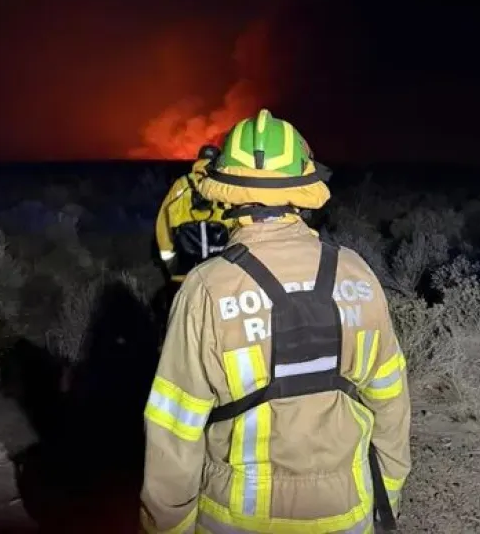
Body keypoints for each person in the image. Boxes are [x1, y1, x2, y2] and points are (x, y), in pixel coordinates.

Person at [140, 109, 411, 534]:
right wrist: (387, 493)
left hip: (238, 520)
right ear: (304, 188)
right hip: (348, 510)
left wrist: (167, 526)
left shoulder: (206, 290)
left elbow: (175, 429)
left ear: (225, 191)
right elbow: (390, 400)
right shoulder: (356, 275)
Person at [154, 144, 236, 299]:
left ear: (198, 160)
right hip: (220, 274)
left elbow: (163, 223)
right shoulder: (225, 185)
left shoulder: (181, 185)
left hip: (185, 274)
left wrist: (170, 260)